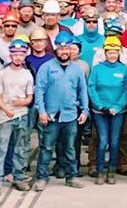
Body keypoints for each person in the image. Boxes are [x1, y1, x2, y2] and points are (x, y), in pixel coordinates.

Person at [34, 34, 91, 188]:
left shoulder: (77, 70)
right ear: (55, 48)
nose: (64, 51)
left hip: (70, 115)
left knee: (70, 148)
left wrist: (85, 111)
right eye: (61, 48)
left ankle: (71, 176)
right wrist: (42, 111)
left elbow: (82, 91)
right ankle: (41, 178)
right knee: (46, 148)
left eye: (67, 48)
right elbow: (39, 90)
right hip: (51, 115)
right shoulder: (46, 67)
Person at [0, 40, 39, 190]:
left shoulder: (27, 75)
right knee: (1, 148)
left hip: (22, 114)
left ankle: (19, 177)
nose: (18, 57)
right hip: (6, 116)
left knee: (21, 148)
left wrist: (23, 102)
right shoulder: (3, 74)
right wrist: (5, 109)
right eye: (15, 54)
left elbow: (30, 97)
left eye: (21, 55)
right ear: (10, 55)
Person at [89, 36, 127, 184]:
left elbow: (126, 90)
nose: (112, 55)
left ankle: (112, 170)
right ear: (105, 53)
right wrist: (100, 106)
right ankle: (100, 171)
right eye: (109, 52)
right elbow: (92, 88)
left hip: (117, 112)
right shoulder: (97, 69)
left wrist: (118, 107)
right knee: (102, 141)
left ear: (119, 53)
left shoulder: (124, 69)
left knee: (114, 142)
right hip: (101, 112)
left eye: (115, 52)